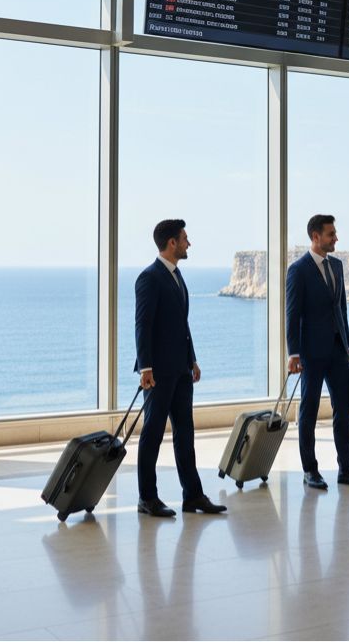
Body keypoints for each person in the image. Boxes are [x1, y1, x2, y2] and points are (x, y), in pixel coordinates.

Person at [134, 219, 227, 517]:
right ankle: (147, 498)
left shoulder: (176, 275)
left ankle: (193, 496)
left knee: (185, 433)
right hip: (158, 372)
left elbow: (181, 325)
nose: (189, 243)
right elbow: (143, 325)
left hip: (181, 369)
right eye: (185, 238)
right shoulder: (149, 277)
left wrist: (192, 359)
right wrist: (145, 367)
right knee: (153, 434)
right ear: (172, 243)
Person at [286, 214, 349, 490]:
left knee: (343, 410)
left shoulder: (337, 265)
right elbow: (292, 314)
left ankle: (346, 468)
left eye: (335, 233)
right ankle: (310, 470)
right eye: (331, 234)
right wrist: (294, 353)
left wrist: (348, 346)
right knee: (308, 411)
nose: (336, 238)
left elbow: (341, 308)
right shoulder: (298, 270)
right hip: (310, 353)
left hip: (337, 351)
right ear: (315, 237)